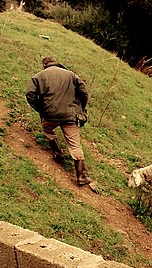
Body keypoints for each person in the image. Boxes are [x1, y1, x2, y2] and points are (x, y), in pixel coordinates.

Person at [26, 55, 91, 186]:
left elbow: (30, 94)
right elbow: (83, 92)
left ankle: (58, 153)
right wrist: (80, 107)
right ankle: (81, 176)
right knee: (75, 144)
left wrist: (41, 108)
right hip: (70, 116)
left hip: (49, 114)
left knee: (48, 131)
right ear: (56, 63)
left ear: (44, 65)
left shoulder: (38, 77)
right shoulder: (71, 75)